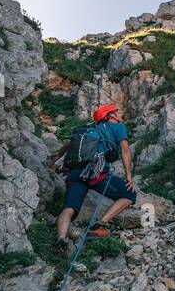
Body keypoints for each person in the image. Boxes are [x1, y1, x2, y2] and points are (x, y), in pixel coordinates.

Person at [50, 104, 136, 255]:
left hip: (75, 174)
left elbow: (69, 144)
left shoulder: (84, 129)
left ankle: (61, 238)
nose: (118, 114)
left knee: (69, 208)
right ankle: (98, 226)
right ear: (110, 116)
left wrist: (57, 157)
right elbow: (125, 150)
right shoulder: (118, 127)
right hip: (97, 174)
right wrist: (129, 176)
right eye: (115, 112)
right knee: (129, 195)